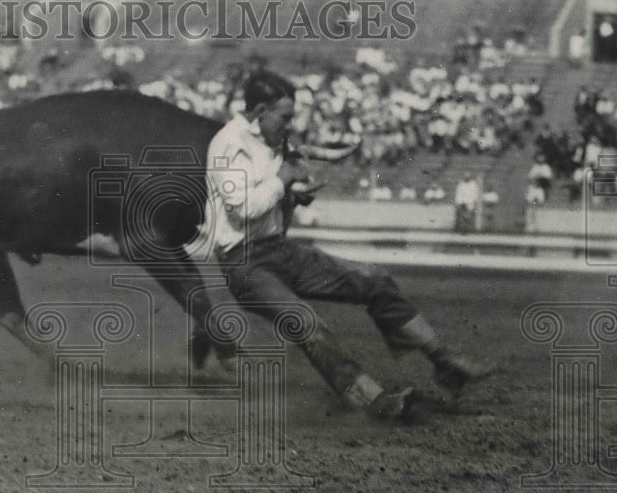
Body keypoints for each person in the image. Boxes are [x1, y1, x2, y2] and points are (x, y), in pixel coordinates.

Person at [204, 70, 493, 422]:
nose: (290, 125)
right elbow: (242, 208)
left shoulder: (271, 140)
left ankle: (443, 360)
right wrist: (284, 181)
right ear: (260, 110)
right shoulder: (226, 144)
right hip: (244, 264)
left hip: (278, 250)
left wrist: (293, 197)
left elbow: (269, 199)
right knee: (305, 322)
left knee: (374, 279)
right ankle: (374, 402)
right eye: (285, 117)